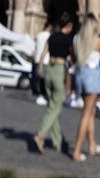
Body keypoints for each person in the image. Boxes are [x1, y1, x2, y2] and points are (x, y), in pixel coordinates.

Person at [69, 13, 100, 162]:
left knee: (89, 112)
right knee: (86, 113)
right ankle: (77, 151)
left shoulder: (76, 39)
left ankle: (92, 145)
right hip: (92, 75)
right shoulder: (98, 41)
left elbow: (73, 58)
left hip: (80, 74)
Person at [34, 13, 74, 154]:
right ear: (68, 26)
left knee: (52, 106)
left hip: (48, 70)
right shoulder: (68, 40)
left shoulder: (51, 37)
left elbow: (42, 55)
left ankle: (57, 142)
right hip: (58, 71)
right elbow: (72, 59)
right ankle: (40, 135)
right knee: (56, 107)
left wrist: (40, 69)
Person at [33, 20, 52, 104]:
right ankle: (43, 95)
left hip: (37, 59)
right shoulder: (49, 36)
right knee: (44, 79)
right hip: (46, 60)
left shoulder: (38, 35)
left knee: (38, 78)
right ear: (49, 27)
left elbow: (35, 48)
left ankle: (38, 94)